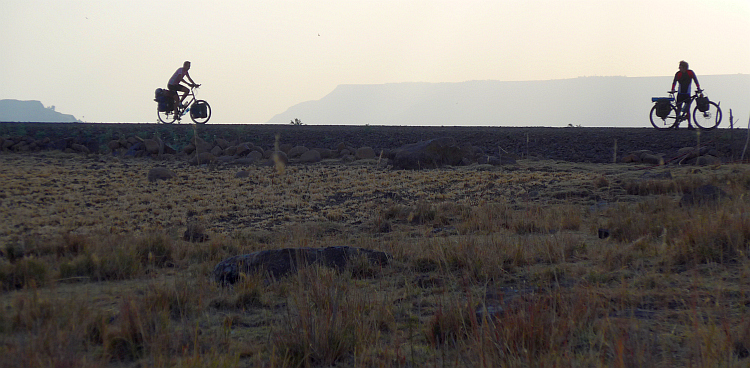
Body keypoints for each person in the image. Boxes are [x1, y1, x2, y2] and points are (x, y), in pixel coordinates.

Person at [670, 60, 701, 129]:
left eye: (680, 67)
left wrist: (698, 87)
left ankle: (689, 124)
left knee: (687, 109)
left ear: (684, 67)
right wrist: (672, 89)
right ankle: (677, 124)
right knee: (678, 108)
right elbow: (674, 82)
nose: (679, 68)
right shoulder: (678, 74)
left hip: (687, 94)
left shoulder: (690, 73)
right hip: (680, 94)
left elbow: (695, 80)